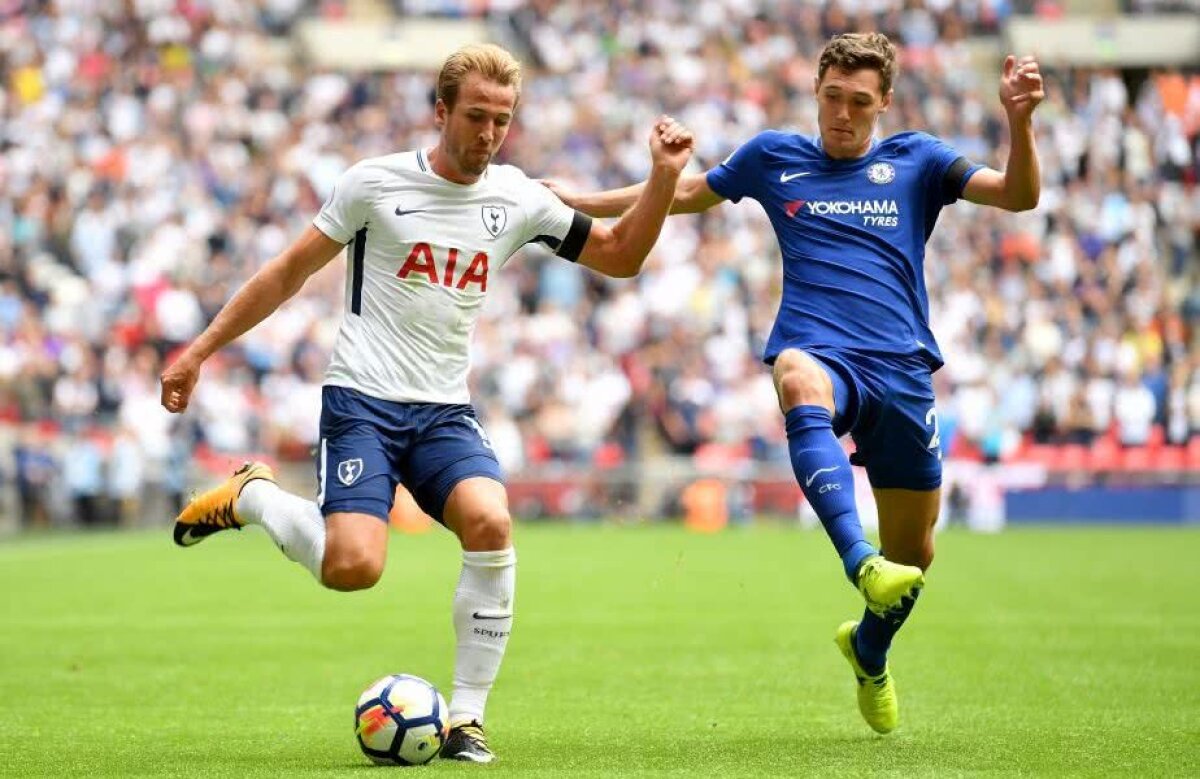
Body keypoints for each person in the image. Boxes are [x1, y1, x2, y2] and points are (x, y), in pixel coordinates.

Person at [160, 43, 694, 763]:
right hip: (363, 403)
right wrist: (198, 350)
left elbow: (622, 254)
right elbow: (286, 272)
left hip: (443, 410)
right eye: (476, 116)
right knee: (353, 568)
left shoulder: (516, 198)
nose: (489, 133)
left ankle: (466, 719)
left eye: (502, 119)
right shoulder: (374, 184)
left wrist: (662, 177)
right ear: (441, 112)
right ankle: (254, 495)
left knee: (491, 520)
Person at [548, 32, 1042, 734]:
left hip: (901, 369)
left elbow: (1018, 195)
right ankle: (859, 561)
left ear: (885, 102)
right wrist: (577, 200)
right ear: (815, 90)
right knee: (797, 378)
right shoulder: (773, 157)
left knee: (917, 554)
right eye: (832, 97)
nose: (843, 113)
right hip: (819, 350)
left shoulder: (920, 160)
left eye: (859, 102)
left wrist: (1019, 122)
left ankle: (869, 649)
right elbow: (682, 192)